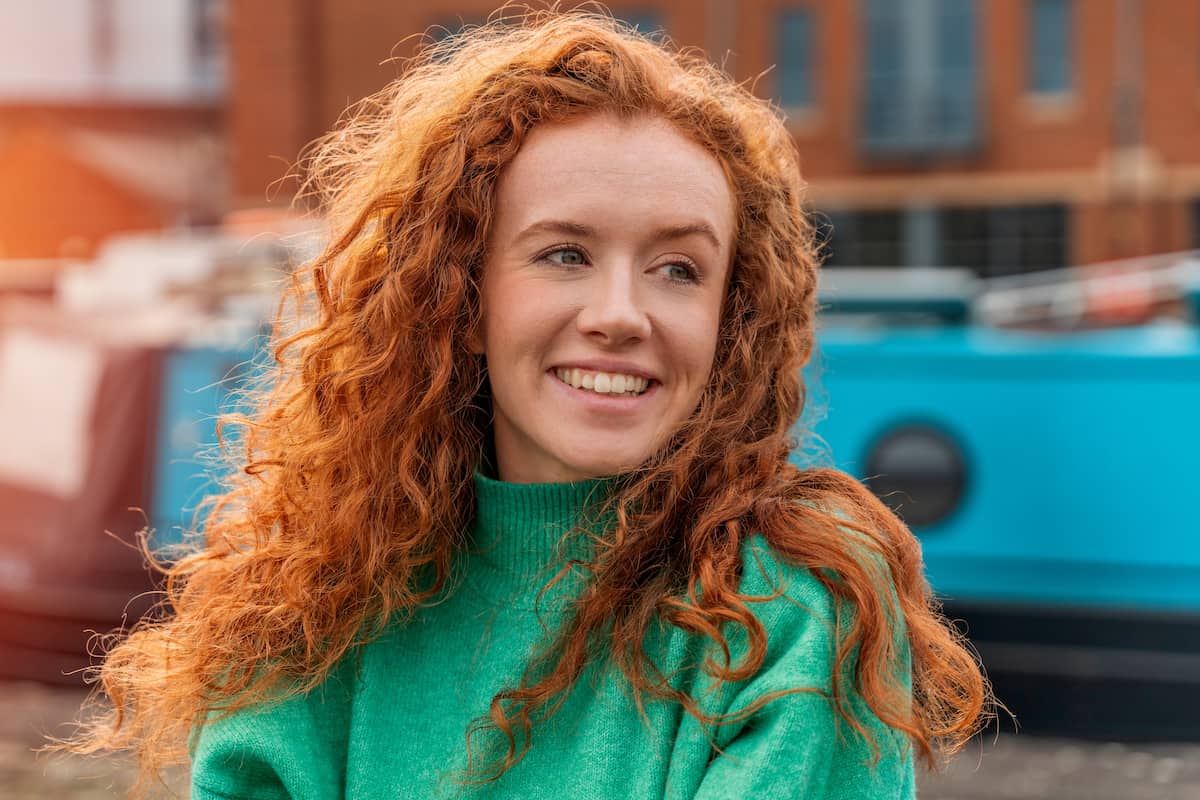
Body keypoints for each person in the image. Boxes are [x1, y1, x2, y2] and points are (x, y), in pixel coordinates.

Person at [69, 11, 990, 799]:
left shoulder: (793, 607)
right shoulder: (313, 600)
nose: (621, 314)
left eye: (678, 269)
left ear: (730, 319)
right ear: (461, 301)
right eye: (564, 254)